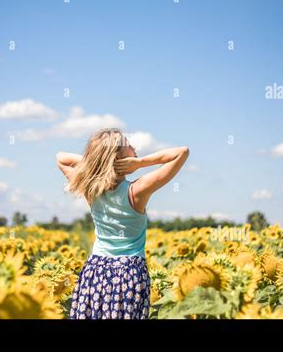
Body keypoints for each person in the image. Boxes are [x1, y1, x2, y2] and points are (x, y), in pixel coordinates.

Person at [56, 128, 189, 319]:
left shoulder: (91, 189)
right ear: (118, 157)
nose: (134, 147)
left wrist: (98, 164)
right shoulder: (137, 190)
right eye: (128, 145)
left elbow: (61, 158)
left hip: (96, 271)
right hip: (129, 273)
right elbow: (182, 152)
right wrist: (141, 163)